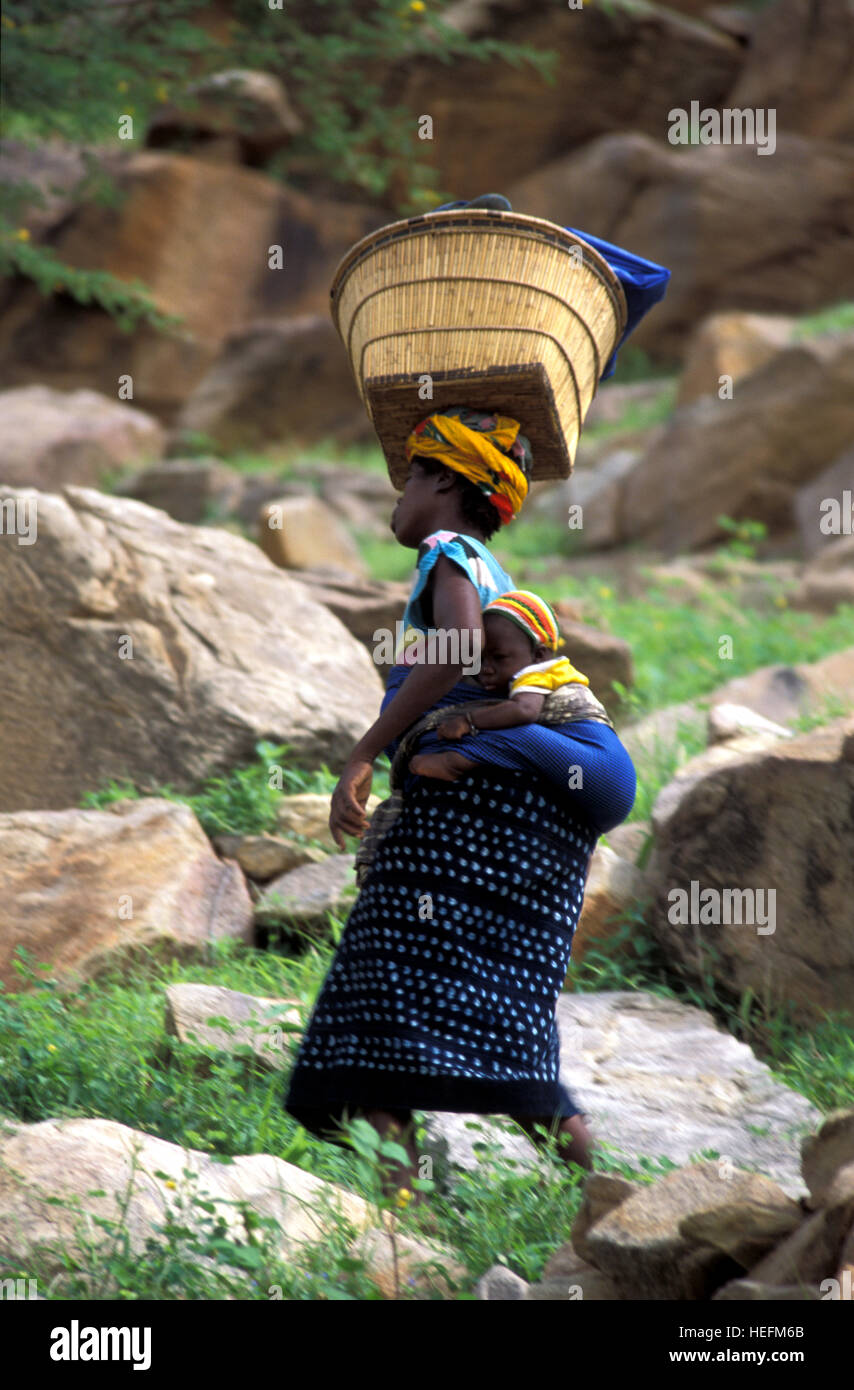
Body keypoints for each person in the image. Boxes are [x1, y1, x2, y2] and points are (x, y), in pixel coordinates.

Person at [283, 406, 639, 1208]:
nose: (398, 497)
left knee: (379, 1019)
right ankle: (613, 1200)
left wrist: (366, 749)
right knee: (502, 1036)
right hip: (509, 842)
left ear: (445, 482)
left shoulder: (452, 554)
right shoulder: (492, 573)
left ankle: (400, 1227)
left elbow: (449, 651)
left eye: (411, 475)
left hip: (461, 841)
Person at [410, 588, 601, 782]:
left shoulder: (538, 673)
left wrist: (467, 721)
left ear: (538, 655)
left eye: (498, 658)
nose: (486, 669)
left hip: (596, 765)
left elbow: (524, 710)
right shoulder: (554, 673)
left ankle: (453, 763)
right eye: (479, 660)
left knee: (510, 730)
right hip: (589, 773)